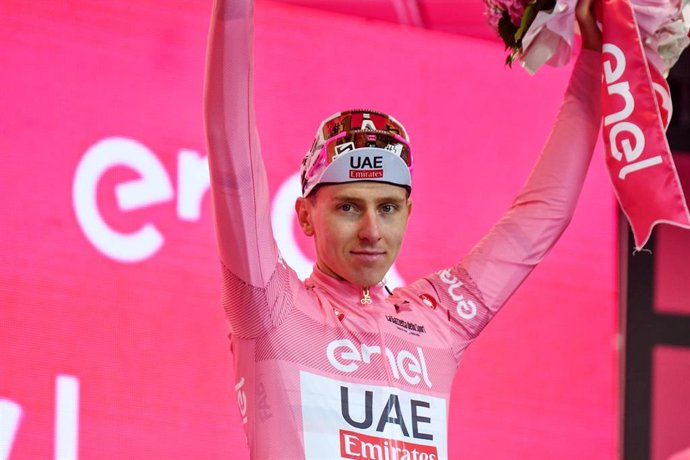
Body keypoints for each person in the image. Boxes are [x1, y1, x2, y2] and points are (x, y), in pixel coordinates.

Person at [204, 0, 602, 457]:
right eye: (349, 207)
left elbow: (543, 215)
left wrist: (592, 57)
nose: (372, 230)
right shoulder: (270, 308)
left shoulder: (436, 318)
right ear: (305, 216)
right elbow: (233, 162)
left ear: (408, 212)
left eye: (388, 207)